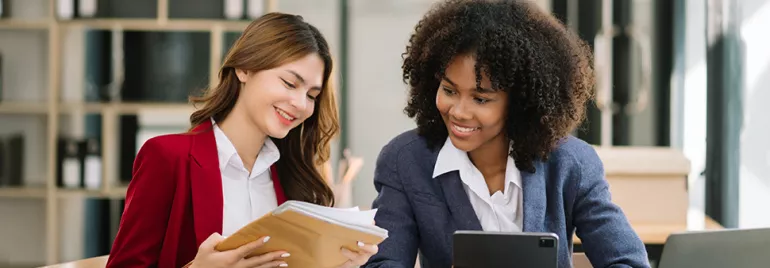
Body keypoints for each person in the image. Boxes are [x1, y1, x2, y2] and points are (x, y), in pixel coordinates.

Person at [363, 1, 649, 268]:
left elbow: (628, 261)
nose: (459, 111)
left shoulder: (571, 162)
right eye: (449, 91)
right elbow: (383, 262)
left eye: (481, 99)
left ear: (519, 102)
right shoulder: (405, 161)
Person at [106, 13, 378, 268]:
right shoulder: (167, 157)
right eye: (289, 84)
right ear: (244, 69)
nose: (300, 104)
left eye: (312, 95)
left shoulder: (293, 176)